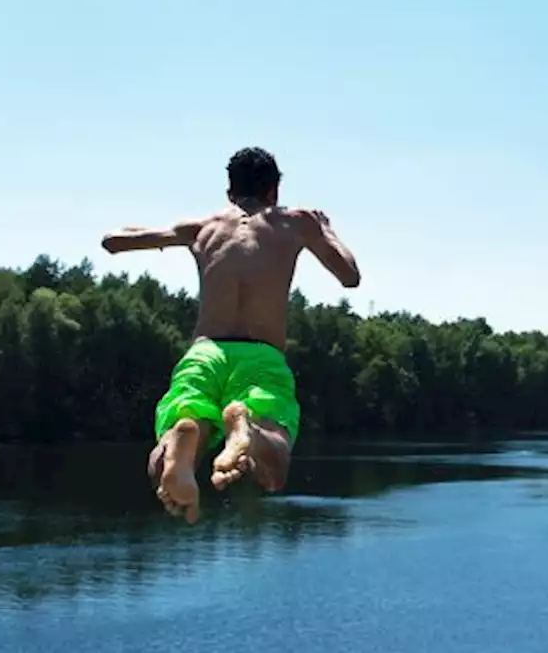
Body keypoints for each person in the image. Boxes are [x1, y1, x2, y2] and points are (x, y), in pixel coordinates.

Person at [101, 146, 362, 523]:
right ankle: (250, 431)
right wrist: (326, 229)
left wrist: (167, 235)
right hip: (261, 359)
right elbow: (350, 276)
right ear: (275, 191)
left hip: (204, 353)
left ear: (230, 192)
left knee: (164, 459)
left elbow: (112, 241)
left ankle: (184, 436)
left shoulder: (203, 227)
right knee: (274, 469)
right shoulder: (297, 222)